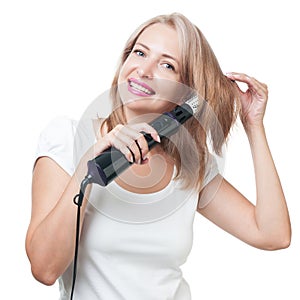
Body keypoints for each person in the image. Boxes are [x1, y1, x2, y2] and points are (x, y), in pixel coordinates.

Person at [25, 12, 291, 300]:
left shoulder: (191, 166)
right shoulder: (67, 139)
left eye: (167, 64)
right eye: (139, 53)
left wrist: (253, 126)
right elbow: (45, 269)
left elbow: (273, 234)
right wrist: (85, 169)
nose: (144, 70)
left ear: (185, 92)